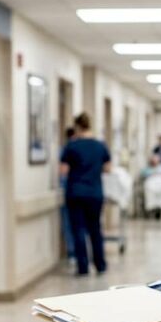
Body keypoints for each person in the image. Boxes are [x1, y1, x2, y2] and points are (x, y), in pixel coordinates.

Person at [60, 114, 111, 276]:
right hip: (95, 193)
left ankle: (83, 267)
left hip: (75, 193)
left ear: (77, 127)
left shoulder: (71, 146)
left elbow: (63, 171)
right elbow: (108, 169)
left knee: (78, 230)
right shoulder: (100, 146)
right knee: (95, 229)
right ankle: (100, 265)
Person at [59, 126, 77, 264]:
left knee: (72, 225)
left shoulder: (66, 150)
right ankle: (75, 253)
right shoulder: (93, 147)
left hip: (72, 193)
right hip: (88, 193)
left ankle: (73, 254)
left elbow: (63, 172)